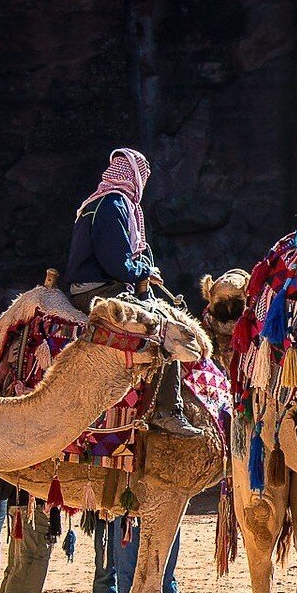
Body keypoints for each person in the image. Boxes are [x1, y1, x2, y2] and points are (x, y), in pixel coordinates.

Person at [66, 148, 200, 437]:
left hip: (93, 286)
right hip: (100, 291)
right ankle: (167, 411)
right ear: (136, 177)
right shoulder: (114, 204)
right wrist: (144, 272)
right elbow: (117, 263)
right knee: (163, 329)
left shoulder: (95, 203)